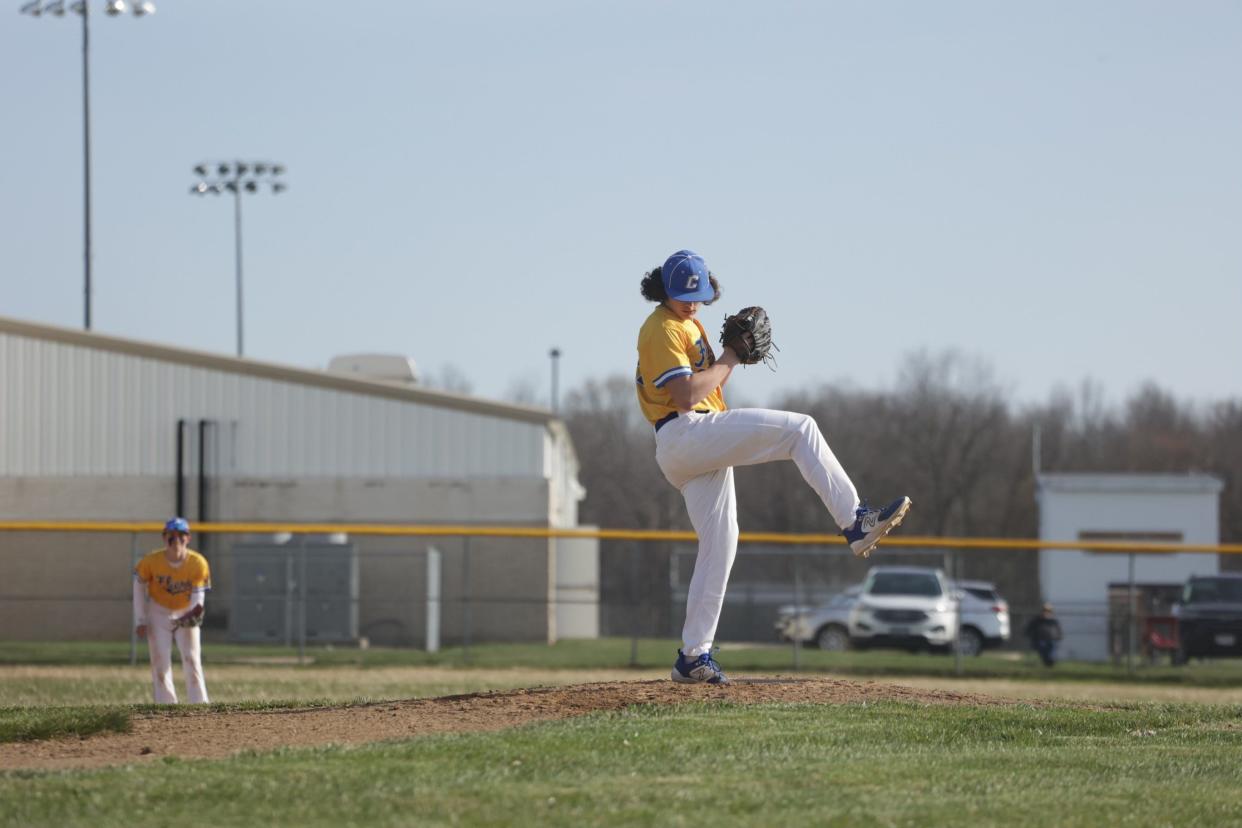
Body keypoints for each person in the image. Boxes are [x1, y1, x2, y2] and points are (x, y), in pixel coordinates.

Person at [636, 249, 912, 685]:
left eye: (698, 295)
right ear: (663, 290)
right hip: (685, 432)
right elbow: (687, 396)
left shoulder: (688, 322)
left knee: (721, 544)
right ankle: (855, 520)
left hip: (693, 445)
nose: (691, 302)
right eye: (682, 295)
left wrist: (726, 358)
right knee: (800, 429)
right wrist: (730, 357)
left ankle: (693, 656)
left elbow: (705, 386)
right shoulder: (662, 328)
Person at [133, 517, 212, 703]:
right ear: (164, 538)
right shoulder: (151, 562)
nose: (176, 540)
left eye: (181, 536)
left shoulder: (197, 563)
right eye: (172, 536)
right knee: (160, 662)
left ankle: (199, 704)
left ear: (188, 538)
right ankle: (166, 706)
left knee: (192, 660)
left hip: (185, 611)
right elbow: (138, 586)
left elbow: (198, 595)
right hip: (159, 612)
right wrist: (141, 619)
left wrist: (193, 613)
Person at [1025, 602, 1063, 667]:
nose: (1046, 612)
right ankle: (1047, 662)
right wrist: (1030, 635)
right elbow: (1029, 629)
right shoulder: (1037, 620)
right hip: (1040, 639)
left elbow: (1058, 630)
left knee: (1052, 651)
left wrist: (1059, 636)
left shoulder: (1053, 621)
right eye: (1045, 611)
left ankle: (1051, 662)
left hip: (1052, 639)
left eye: (1048, 611)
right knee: (1043, 650)